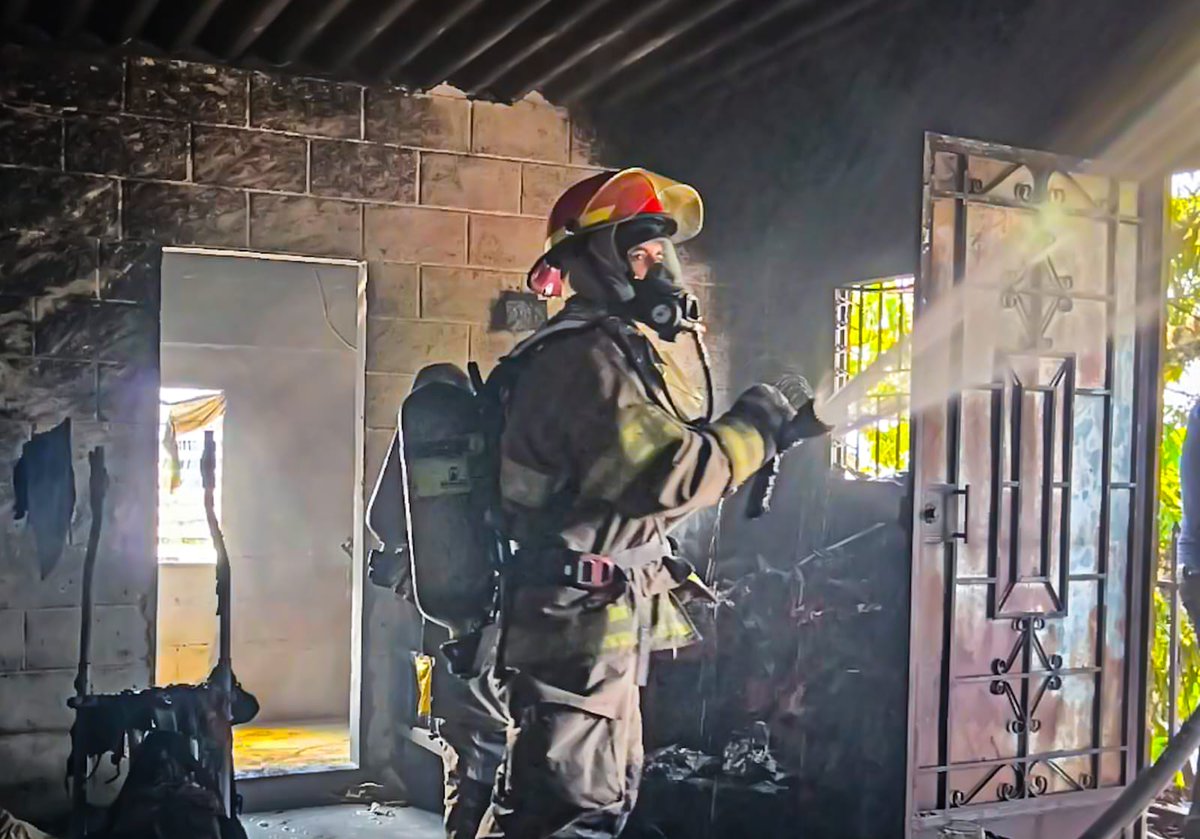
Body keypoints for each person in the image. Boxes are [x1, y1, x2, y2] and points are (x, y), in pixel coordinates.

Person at [475, 168, 830, 838]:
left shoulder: (614, 352)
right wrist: (760, 420)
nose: (658, 265)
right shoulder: (587, 361)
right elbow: (671, 475)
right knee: (569, 812)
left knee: (596, 798)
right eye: (639, 249)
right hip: (575, 631)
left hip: (593, 625)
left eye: (660, 250)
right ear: (598, 259)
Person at [366, 367, 509, 839]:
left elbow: (382, 518)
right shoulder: (494, 439)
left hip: (451, 631)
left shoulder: (420, 440)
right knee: (500, 755)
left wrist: (411, 566)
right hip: (509, 629)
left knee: (467, 761)